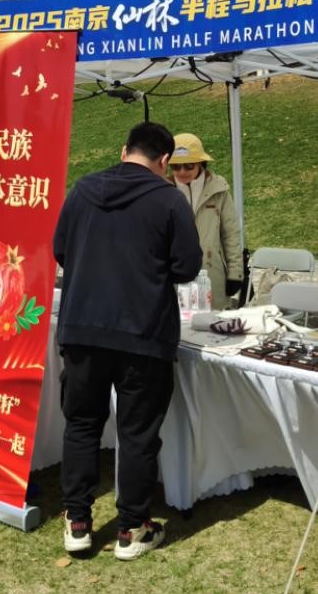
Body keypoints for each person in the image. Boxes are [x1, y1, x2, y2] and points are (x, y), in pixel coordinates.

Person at [52, 121, 202, 560]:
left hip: (83, 327)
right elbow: (187, 267)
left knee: (81, 423)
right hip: (143, 332)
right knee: (137, 432)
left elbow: (61, 250)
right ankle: (132, 528)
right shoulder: (169, 200)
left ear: (124, 151)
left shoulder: (82, 190)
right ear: (164, 161)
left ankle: (77, 521)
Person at [167, 133, 242, 310]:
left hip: (212, 272)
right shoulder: (162, 190)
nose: (182, 171)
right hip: (175, 275)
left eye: (189, 165)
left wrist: (235, 273)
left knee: (213, 322)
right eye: (176, 166)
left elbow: (231, 233)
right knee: (178, 322)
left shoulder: (219, 189)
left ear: (201, 163)